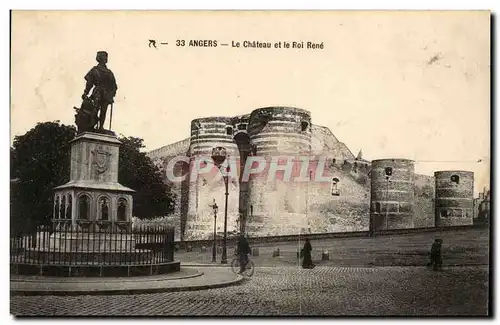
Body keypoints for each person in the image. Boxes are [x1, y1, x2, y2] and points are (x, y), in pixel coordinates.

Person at [82, 51, 118, 131]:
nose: (106, 58)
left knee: (103, 111)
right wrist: (85, 92)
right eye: (104, 57)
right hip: (97, 92)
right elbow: (89, 83)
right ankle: (91, 125)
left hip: (106, 94)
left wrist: (112, 93)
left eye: (106, 57)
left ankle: (101, 127)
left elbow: (114, 85)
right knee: (95, 108)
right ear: (99, 58)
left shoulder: (109, 73)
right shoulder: (94, 70)